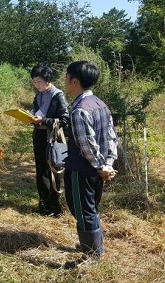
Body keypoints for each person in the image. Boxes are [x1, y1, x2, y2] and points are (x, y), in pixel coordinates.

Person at [63, 61, 118, 268]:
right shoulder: (100, 104)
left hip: (82, 170)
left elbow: (87, 145)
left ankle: (91, 258)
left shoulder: (79, 110)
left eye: (66, 77)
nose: (65, 81)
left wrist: (100, 166)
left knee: (83, 211)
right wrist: (108, 164)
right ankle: (95, 247)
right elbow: (111, 136)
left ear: (74, 81)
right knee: (90, 208)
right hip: (98, 170)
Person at [29, 63, 69, 217]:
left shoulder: (57, 95)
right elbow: (35, 111)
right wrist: (31, 117)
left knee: (52, 170)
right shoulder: (38, 95)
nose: (37, 85)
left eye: (39, 81)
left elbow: (64, 120)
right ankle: (43, 204)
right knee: (40, 170)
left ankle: (54, 207)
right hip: (39, 136)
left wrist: (44, 121)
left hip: (53, 138)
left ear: (47, 79)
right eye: (34, 82)